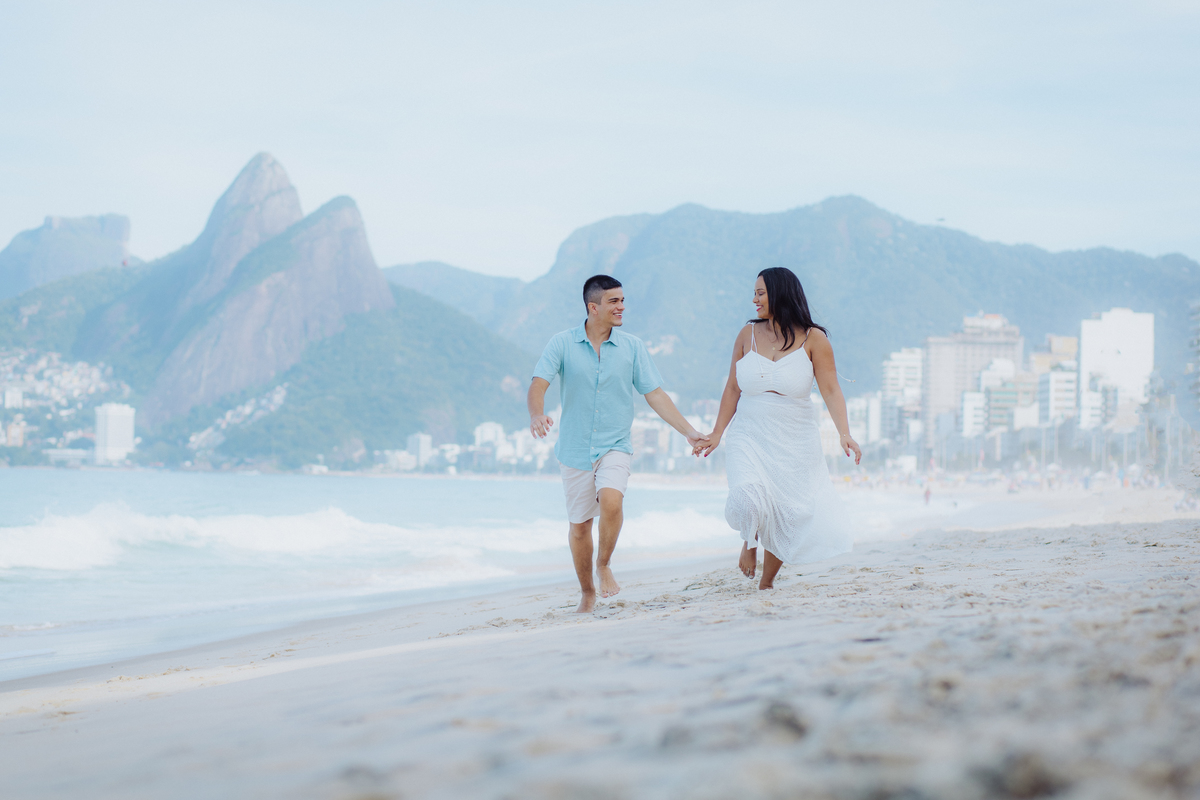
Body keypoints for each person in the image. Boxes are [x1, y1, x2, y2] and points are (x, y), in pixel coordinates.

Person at [528, 275, 708, 613]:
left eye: (623, 300)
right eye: (614, 301)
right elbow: (539, 384)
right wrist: (537, 414)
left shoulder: (633, 347)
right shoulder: (562, 343)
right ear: (593, 307)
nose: (622, 307)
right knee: (580, 528)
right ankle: (587, 593)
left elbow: (654, 393)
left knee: (611, 500)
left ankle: (604, 564)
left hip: (615, 444)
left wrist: (688, 430)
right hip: (574, 448)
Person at [697, 267, 858, 589]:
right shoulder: (747, 335)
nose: (754, 299)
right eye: (754, 293)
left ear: (780, 294)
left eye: (760, 293)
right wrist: (716, 433)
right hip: (749, 431)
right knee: (747, 499)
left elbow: (830, 390)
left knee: (788, 510)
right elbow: (732, 388)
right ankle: (749, 541)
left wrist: (844, 433)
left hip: (795, 435)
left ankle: (766, 583)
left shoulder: (815, 339)